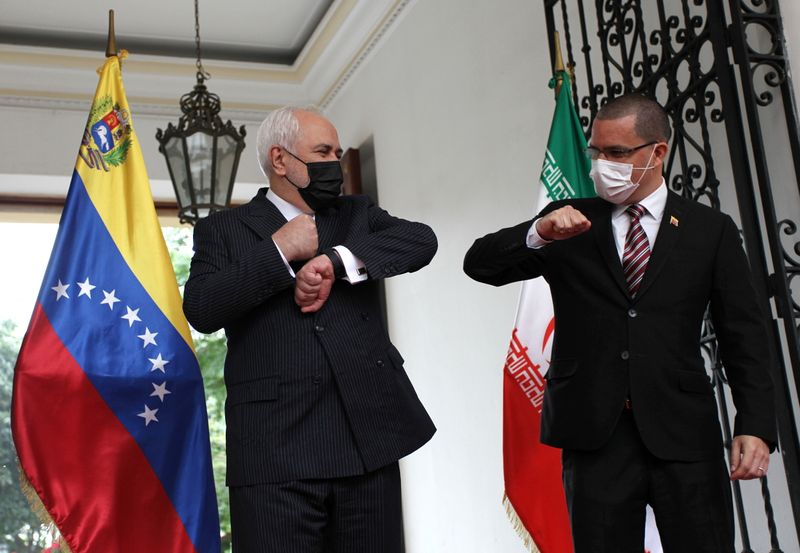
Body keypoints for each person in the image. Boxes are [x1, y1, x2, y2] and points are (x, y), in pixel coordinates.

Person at [463, 94, 776, 553]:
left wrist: (755, 424)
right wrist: (539, 233)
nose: (602, 164)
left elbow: (744, 334)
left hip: (684, 435)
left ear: (658, 152)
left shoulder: (710, 230)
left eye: (617, 153)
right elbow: (480, 264)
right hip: (594, 436)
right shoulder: (569, 220)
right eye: (596, 152)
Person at [183, 106, 437, 552]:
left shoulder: (356, 214)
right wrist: (279, 250)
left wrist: (333, 260)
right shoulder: (223, 230)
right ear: (280, 161)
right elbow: (202, 308)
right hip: (274, 455)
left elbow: (421, 240)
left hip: (368, 444)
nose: (333, 164)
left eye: (337, 153)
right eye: (322, 152)